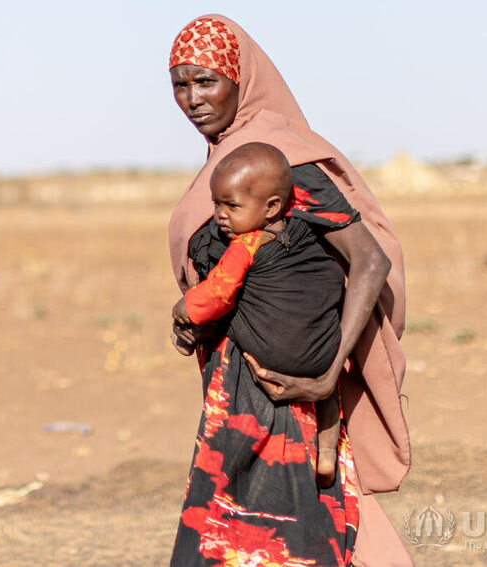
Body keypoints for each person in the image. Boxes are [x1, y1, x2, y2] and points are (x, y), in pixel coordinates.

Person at [166, 14, 413, 567]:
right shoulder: (233, 163)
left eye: (206, 81)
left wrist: (328, 372)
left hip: (285, 388)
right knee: (255, 527)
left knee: (287, 531)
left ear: (241, 80)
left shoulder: (280, 161)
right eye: (180, 84)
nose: (192, 99)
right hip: (236, 383)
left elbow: (367, 258)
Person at [171, 142, 346, 489]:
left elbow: (217, 295)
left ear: (271, 207)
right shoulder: (309, 238)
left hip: (275, 359)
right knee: (330, 395)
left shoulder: (246, 245)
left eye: (231, 205)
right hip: (326, 357)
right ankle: (326, 452)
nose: (220, 215)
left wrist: (184, 307)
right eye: (216, 204)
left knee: (235, 313)